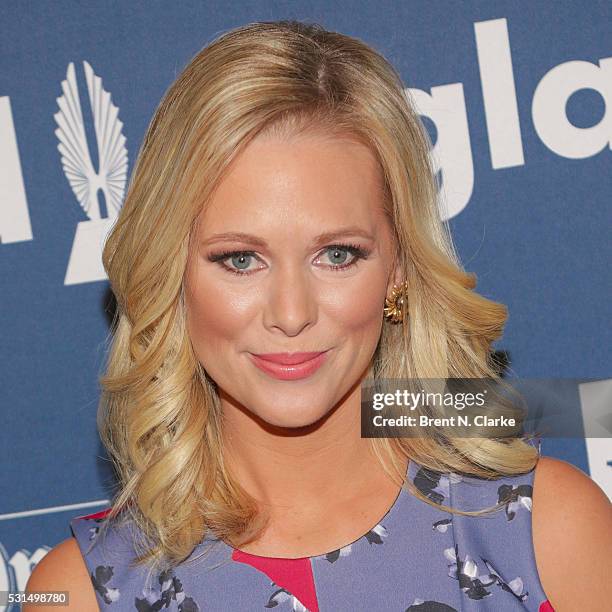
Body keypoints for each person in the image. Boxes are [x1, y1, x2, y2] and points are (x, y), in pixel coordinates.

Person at [26, 20, 610, 611]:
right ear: (171, 275)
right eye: (239, 259)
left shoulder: (547, 535)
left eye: (337, 255)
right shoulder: (85, 592)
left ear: (400, 266)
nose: (291, 313)